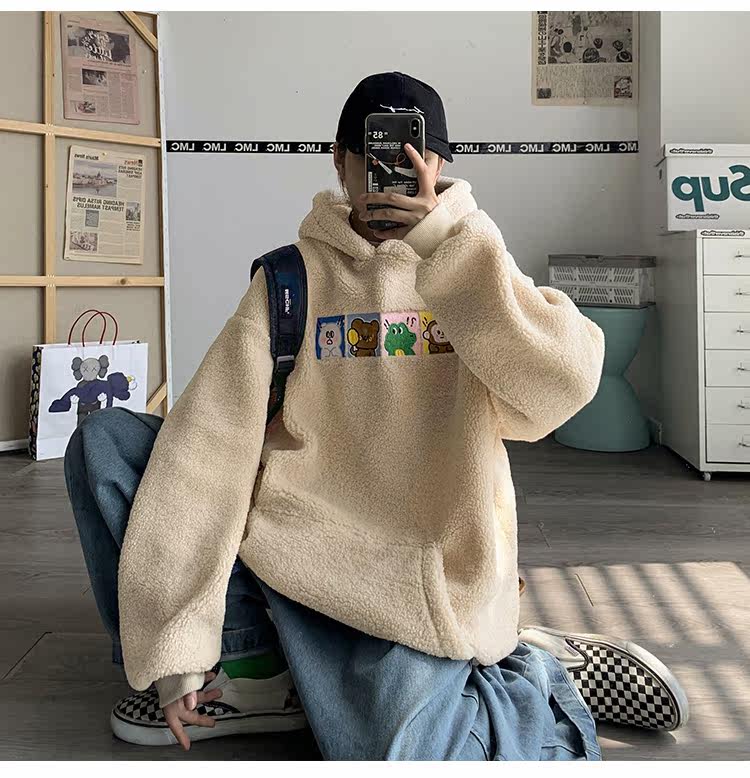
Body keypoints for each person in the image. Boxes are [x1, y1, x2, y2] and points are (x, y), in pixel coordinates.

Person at [65, 72, 687, 760]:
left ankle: (537, 670)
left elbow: (562, 389)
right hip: (291, 546)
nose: (392, 175)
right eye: (373, 157)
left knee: (403, 754)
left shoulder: (475, 266)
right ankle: (249, 674)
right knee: (105, 442)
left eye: (415, 155)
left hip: (415, 571)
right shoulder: (290, 280)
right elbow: (208, 448)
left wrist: (448, 246)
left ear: (439, 165)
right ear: (340, 161)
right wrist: (176, 643)